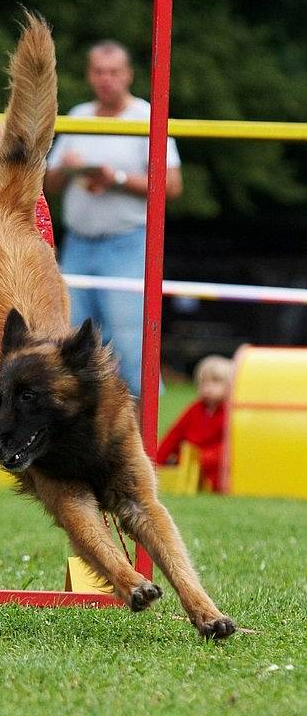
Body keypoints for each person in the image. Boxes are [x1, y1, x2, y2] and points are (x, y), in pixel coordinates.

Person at [45, 40, 183, 397]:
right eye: (99, 72)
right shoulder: (77, 116)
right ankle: (77, 441)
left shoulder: (146, 116)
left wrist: (115, 179)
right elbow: (49, 183)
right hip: (78, 243)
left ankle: (146, 445)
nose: (106, 79)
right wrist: (68, 168)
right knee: (67, 342)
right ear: (90, 75)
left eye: (114, 72)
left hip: (128, 245)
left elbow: (171, 186)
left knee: (130, 342)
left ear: (128, 75)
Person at [156, 355, 234, 492]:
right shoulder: (195, 409)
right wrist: (155, 460)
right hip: (189, 462)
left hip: (215, 467)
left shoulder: (230, 413)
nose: (208, 387)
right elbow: (174, 435)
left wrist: (205, 457)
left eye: (215, 382)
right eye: (203, 382)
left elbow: (230, 445)